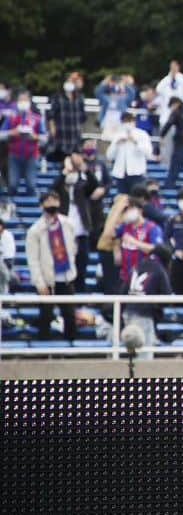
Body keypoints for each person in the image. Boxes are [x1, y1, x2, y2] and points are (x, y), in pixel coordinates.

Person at [27, 191, 79, 341]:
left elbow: (73, 248)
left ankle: (72, 349)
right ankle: (43, 351)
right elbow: (33, 259)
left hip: (66, 276)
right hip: (47, 280)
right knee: (46, 316)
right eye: (48, 201)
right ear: (42, 205)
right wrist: (39, 282)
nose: (52, 204)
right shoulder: (35, 230)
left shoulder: (68, 224)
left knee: (70, 315)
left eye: (55, 200)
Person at [50, 153, 103, 292]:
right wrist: (65, 171)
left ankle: (80, 291)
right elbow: (53, 188)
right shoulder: (61, 185)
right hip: (63, 228)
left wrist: (83, 167)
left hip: (81, 227)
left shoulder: (82, 183)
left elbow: (94, 184)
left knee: (82, 260)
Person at [123, 244, 173, 359]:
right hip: (144, 315)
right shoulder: (159, 269)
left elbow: (124, 290)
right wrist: (156, 307)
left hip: (128, 312)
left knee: (131, 352)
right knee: (144, 355)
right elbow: (167, 295)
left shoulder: (137, 265)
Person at [1, 89, 47, 194]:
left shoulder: (37, 118)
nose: (23, 102)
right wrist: (12, 133)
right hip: (14, 155)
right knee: (12, 184)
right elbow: (1, 135)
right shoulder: (11, 118)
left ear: (29, 101)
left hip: (31, 155)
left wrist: (35, 136)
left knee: (31, 185)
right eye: (20, 100)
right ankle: (12, 206)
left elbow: (44, 138)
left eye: (25, 100)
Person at [47, 73, 87, 160]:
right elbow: (51, 114)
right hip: (61, 134)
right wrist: (52, 127)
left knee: (75, 158)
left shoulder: (79, 97)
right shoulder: (57, 97)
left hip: (74, 134)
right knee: (61, 159)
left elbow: (83, 117)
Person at [93, 73, 136, 137]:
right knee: (106, 139)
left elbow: (132, 94)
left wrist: (126, 83)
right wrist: (105, 82)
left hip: (120, 121)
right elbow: (98, 92)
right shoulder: (106, 97)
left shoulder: (124, 98)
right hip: (107, 121)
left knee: (119, 138)